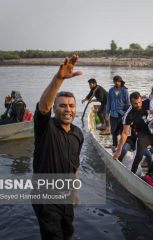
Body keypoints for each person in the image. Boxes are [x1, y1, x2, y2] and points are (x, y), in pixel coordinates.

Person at [32, 55, 84, 240]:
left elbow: (75, 165)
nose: (68, 109)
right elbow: (43, 107)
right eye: (62, 106)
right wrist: (59, 78)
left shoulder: (78, 133)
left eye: (71, 106)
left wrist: (75, 192)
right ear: (55, 109)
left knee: (68, 233)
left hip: (67, 195)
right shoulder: (45, 128)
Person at [113, 91, 153, 175]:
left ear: (141, 99)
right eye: (135, 103)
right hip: (143, 133)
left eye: (140, 102)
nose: (139, 105)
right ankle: (132, 173)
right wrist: (119, 150)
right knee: (139, 155)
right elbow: (125, 133)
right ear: (131, 103)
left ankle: (150, 174)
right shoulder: (128, 115)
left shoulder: (148, 100)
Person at [105, 75, 130, 149]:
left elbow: (128, 103)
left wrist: (127, 114)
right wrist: (107, 113)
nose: (117, 83)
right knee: (113, 131)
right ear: (114, 82)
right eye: (115, 81)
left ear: (121, 82)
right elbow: (108, 102)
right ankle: (115, 144)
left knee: (123, 131)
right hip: (113, 114)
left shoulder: (125, 91)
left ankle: (123, 145)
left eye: (118, 81)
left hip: (122, 114)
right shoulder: (111, 90)